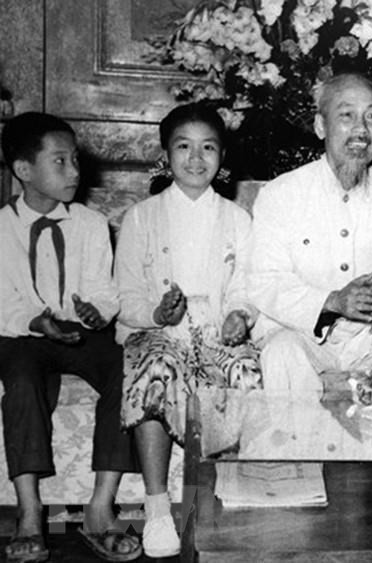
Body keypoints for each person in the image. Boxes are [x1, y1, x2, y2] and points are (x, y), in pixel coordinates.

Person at [115, 103, 262, 558]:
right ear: (166, 154)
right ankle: (158, 508)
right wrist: (158, 314)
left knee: (245, 371)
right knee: (155, 366)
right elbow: (127, 294)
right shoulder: (141, 216)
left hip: (216, 331)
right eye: (184, 147)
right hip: (158, 329)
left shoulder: (238, 219)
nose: (196, 159)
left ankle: (228, 500)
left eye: (208, 148)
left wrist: (240, 315)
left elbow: (247, 286)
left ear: (222, 158)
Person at [0, 113, 141, 562]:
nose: (75, 172)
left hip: (80, 332)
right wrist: (37, 321)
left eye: (76, 160)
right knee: (21, 380)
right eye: (60, 161)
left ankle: (100, 507)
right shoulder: (0, 228)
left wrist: (94, 312)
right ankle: (29, 511)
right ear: (24, 170)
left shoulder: (90, 224)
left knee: (128, 369)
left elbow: (105, 291)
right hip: (22, 331)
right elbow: (3, 303)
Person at [247, 72, 372, 394]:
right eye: (347, 116)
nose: (361, 130)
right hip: (303, 336)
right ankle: (298, 445)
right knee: (282, 353)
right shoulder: (280, 194)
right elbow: (265, 281)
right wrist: (333, 301)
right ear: (321, 126)